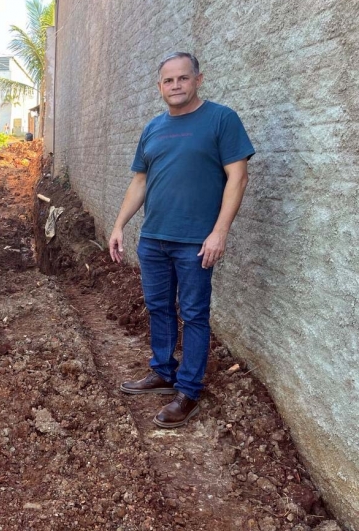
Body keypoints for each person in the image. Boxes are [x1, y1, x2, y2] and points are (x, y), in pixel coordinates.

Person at [109, 52, 254, 428]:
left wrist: (219, 231)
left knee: (193, 315)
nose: (175, 85)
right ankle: (162, 371)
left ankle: (188, 391)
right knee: (158, 308)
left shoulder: (221, 119)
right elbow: (139, 181)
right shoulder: (153, 128)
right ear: (160, 87)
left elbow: (237, 178)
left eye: (183, 78)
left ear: (198, 80)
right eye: (168, 80)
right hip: (153, 239)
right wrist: (119, 225)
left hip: (196, 242)